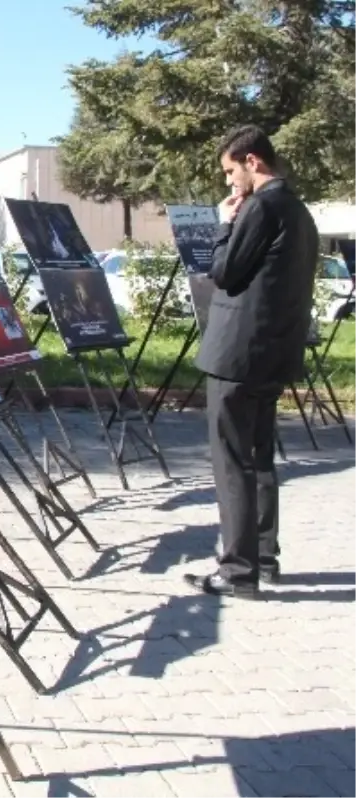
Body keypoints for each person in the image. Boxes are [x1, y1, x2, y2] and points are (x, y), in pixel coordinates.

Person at [186, 125, 319, 598]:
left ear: (253, 162)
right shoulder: (299, 210)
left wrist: (224, 225)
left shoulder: (261, 207)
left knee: (233, 462)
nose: (228, 182)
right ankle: (264, 559)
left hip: (237, 356)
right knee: (259, 457)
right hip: (273, 353)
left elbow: (225, 271)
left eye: (230, 171)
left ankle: (237, 571)